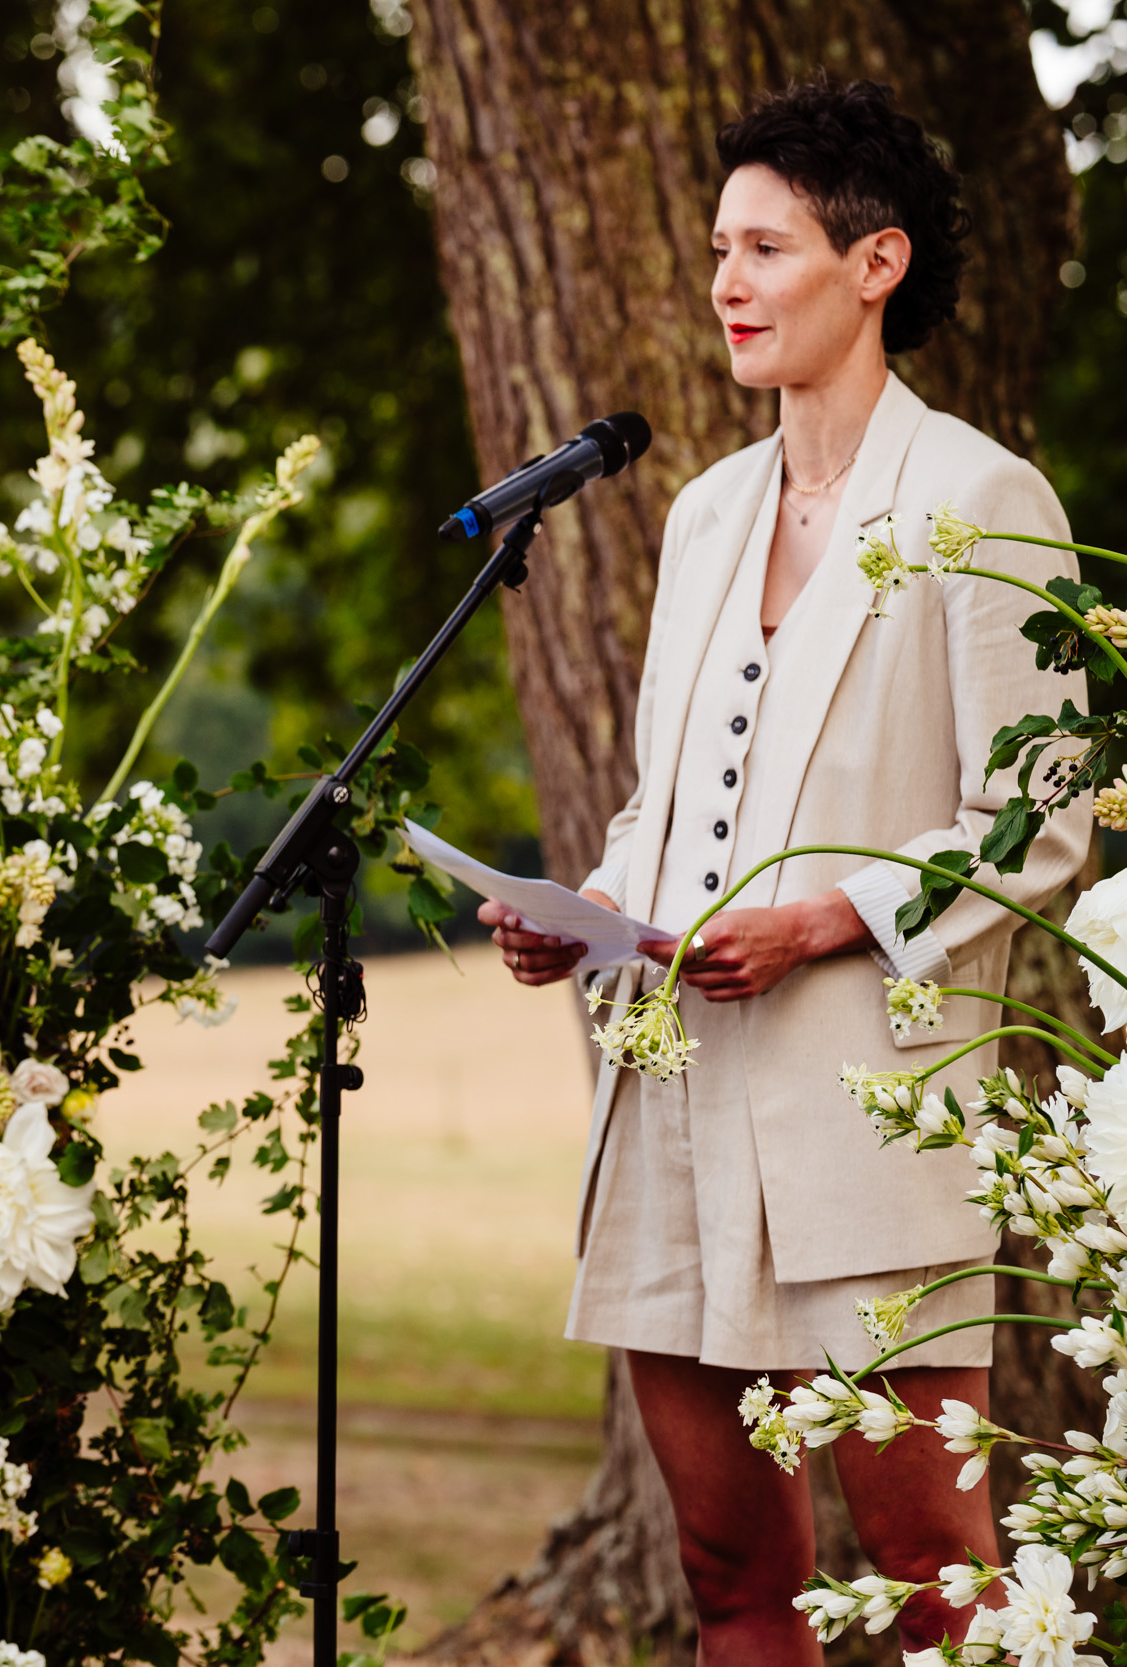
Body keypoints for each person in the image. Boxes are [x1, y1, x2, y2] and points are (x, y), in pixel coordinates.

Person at [481, 80, 1089, 1662]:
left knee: (931, 1577)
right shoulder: (700, 512)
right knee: (728, 1566)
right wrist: (590, 911)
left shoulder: (981, 500)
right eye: (716, 251)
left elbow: (1048, 816)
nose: (726, 284)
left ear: (874, 264)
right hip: (672, 1106)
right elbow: (664, 799)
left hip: (866, 1122)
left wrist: (833, 914)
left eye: (764, 248)